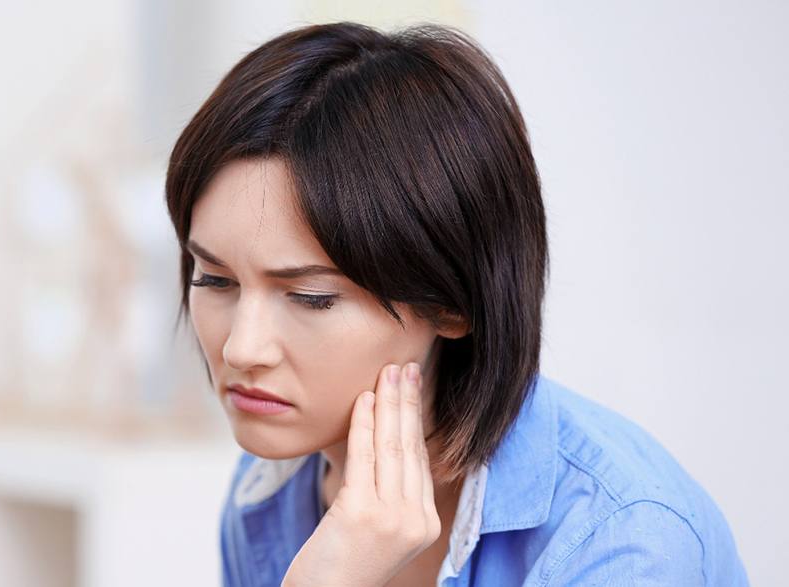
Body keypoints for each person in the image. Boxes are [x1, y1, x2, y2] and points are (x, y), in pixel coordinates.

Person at [163, 21, 749, 587]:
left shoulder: (623, 539)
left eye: (311, 297)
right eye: (214, 280)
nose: (241, 347)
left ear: (452, 301)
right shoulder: (271, 488)